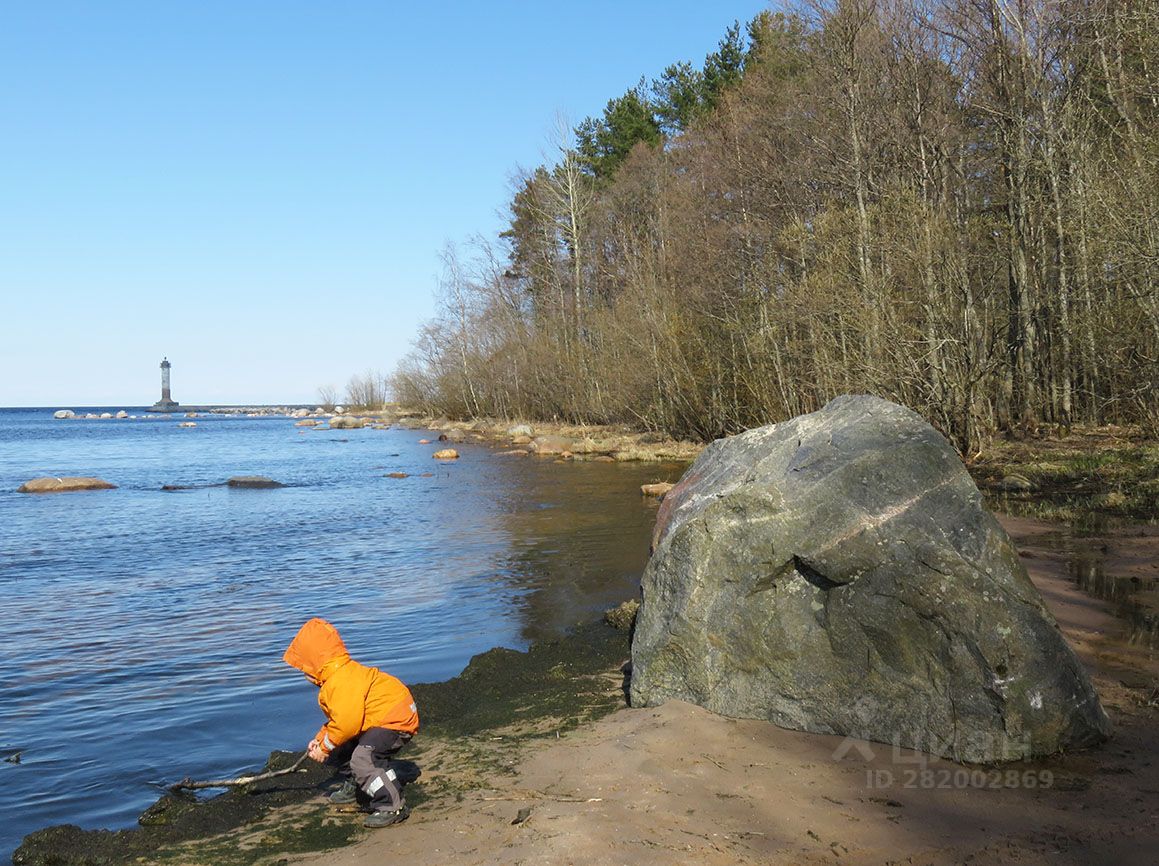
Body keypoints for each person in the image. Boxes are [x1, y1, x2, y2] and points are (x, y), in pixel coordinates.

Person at [283, 617, 420, 828]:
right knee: (338, 748)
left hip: (395, 720)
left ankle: (392, 805)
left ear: (316, 663)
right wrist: (320, 740)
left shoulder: (341, 680)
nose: (303, 673)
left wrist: (325, 746)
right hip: (378, 718)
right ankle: (358, 783)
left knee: (363, 758)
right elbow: (338, 720)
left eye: (304, 667)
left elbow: (347, 724)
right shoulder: (336, 678)